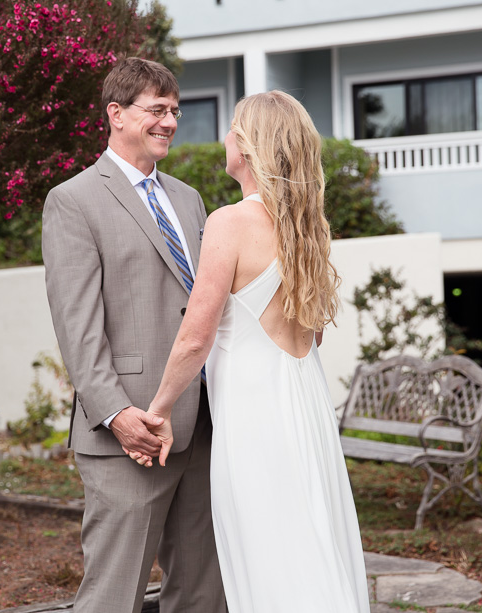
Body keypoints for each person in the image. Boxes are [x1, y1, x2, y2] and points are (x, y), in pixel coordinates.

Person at [131, 90, 372, 612]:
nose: (226, 138)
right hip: (306, 406)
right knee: (309, 542)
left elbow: (195, 337)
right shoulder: (306, 228)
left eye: (233, 128)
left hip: (256, 418)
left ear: (248, 146)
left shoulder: (231, 222)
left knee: (269, 554)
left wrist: (159, 410)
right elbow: (312, 334)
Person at [41, 58, 226, 613]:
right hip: (129, 434)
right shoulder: (73, 200)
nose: (169, 122)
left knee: (203, 593)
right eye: (157, 110)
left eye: (175, 111)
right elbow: (77, 326)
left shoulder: (189, 198)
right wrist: (118, 415)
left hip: (204, 425)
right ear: (116, 114)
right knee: (113, 596)